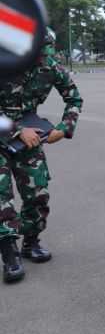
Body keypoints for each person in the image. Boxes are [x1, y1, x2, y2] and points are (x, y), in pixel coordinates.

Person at [0, 28, 83, 283]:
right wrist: (16, 130)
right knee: (2, 198)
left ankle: (31, 242)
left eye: (46, 52)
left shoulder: (51, 66)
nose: (43, 59)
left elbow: (74, 99)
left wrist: (64, 127)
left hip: (30, 135)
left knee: (38, 193)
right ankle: (9, 254)